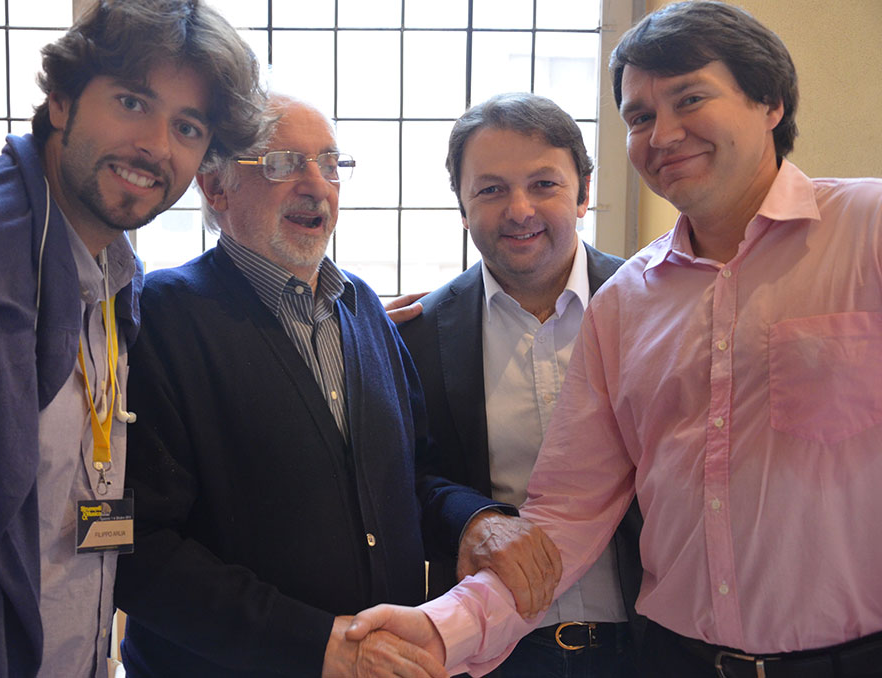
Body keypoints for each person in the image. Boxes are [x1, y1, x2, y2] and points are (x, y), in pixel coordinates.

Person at [345, 2, 882, 676]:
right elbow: (568, 511)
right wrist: (441, 629)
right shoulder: (627, 301)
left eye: (690, 99)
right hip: (678, 661)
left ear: (769, 101)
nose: (665, 134)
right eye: (640, 116)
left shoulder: (866, 230)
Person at [0, 2, 263, 676]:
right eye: (132, 102)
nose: (157, 146)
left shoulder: (112, 270)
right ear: (62, 100)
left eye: (187, 127)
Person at [112, 94, 445, 678]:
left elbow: (414, 475)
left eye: (330, 163)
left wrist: (480, 519)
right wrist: (318, 644)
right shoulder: (161, 317)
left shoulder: (362, 308)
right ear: (215, 188)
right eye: (283, 164)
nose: (316, 186)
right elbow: (134, 545)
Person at [399, 92, 642, 678]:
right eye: (490, 189)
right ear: (461, 207)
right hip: (494, 654)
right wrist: (473, 519)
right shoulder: (417, 334)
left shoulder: (655, 305)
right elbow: (407, 477)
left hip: (649, 646)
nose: (519, 210)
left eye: (543, 184)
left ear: (583, 192)